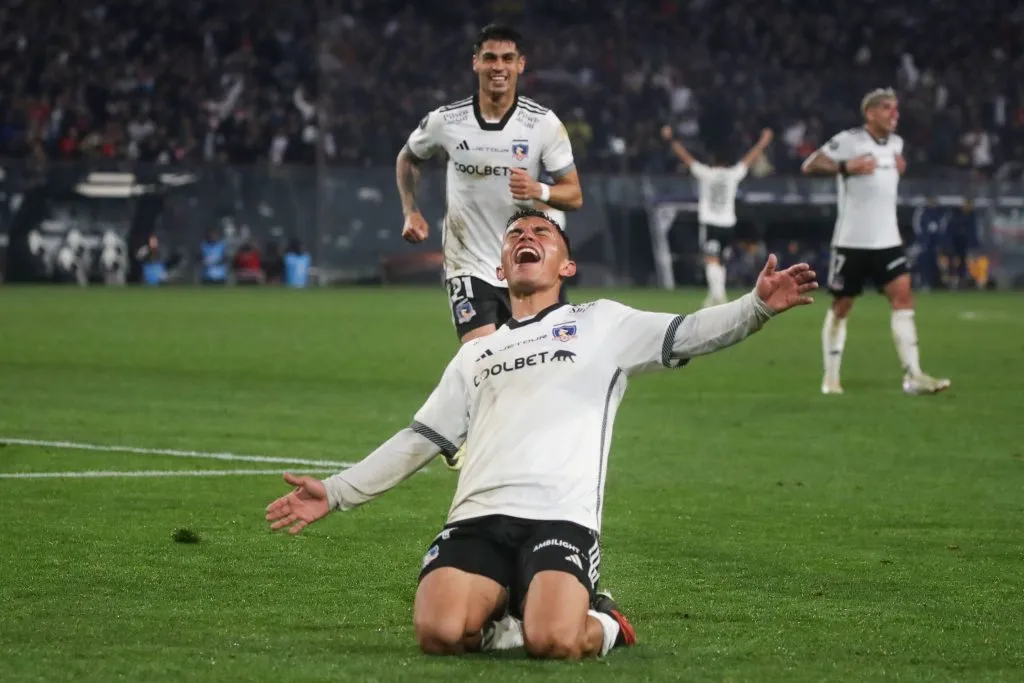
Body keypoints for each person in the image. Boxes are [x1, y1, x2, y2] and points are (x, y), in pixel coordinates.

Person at [265, 208, 818, 661]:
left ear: (566, 264)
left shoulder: (604, 323)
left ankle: (605, 620)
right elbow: (420, 438)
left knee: (554, 642)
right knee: (439, 634)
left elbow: (688, 332)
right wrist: (336, 491)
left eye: (541, 234)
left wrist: (756, 307)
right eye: (515, 236)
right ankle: (509, 616)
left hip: (560, 517)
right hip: (477, 517)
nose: (526, 238)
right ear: (502, 270)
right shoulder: (475, 354)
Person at [396, 23, 582, 347]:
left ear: (520, 65)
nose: (499, 67)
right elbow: (408, 158)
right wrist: (411, 211)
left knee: (538, 369)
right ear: (475, 62)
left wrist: (540, 190)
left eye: (508, 59)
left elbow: (574, 195)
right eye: (490, 58)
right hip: (468, 264)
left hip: (526, 265)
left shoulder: (543, 124)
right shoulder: (447, 121)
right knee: (483, 363)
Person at [801, 88, 950, 395]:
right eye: (887, 109)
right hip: (852, 241)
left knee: (903, 299)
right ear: (870, 113)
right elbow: (811, 164)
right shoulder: (850, 140)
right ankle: (830, 379)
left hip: (888, 240)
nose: (895, 114)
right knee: (842, 306)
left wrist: (898, 168)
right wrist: (845, 167)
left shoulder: (896, 143)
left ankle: (913, 375)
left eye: (896, 109)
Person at [660, 125, 774, 307]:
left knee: (711, 260)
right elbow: (749, 159)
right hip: (728, 223)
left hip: (711, 222)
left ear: (713, 161)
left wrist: (670, 139)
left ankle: (719, 297)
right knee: (720, 261)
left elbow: (686, 158)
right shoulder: (732, 174)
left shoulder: (707, 174)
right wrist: (763, 141)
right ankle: (714, 296)